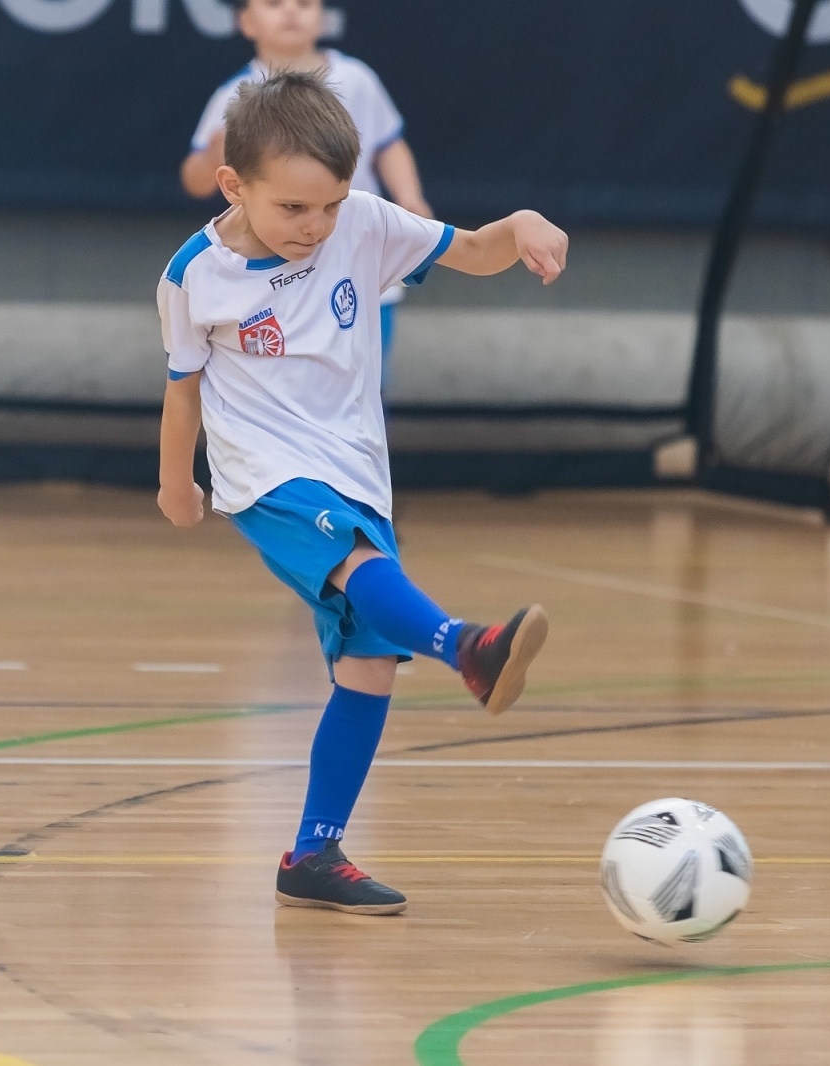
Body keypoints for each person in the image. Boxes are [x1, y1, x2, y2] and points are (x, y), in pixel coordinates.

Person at [157, 72, 567, 916]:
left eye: (331, 207)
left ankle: (313, 854)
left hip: (354, 466)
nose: (315, 228)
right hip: (264, 473)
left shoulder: (367, 224)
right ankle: (468, 649)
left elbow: (476, 252)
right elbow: (183, 389)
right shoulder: (193, 274)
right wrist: (176, 483)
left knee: (369, 665)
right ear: (236, 185)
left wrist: (519, 224)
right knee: (357, 561)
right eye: (293, 211)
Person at [179, 0, 430, 382]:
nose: (291, 12)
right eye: (275, 3)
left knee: (363, 384)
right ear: (246, 21)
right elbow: (196, 181)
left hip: (356, 259)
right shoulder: (234, 97)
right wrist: (213, 153)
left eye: (304, 3)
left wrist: (410, 198)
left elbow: (388, 143)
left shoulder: (357, 78)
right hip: (273, 277)